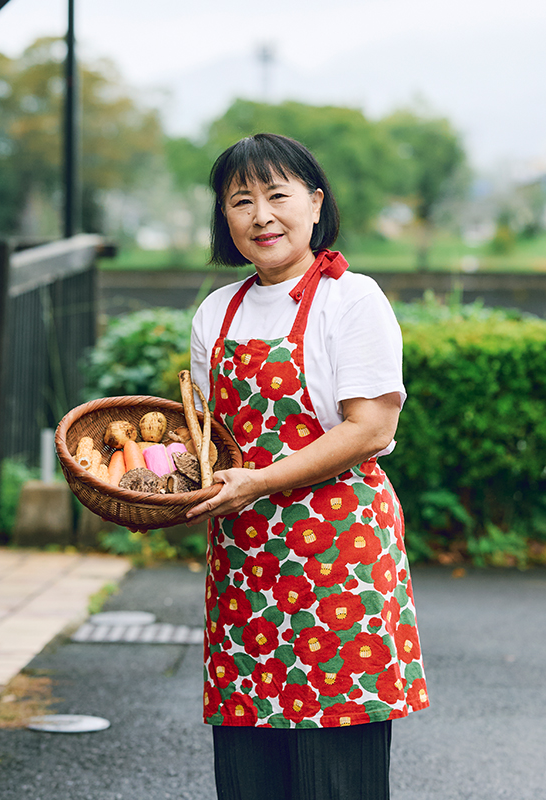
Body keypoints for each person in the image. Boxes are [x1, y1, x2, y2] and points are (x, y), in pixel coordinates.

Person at [185, 133, 428, 800]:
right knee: (248, 768)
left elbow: (371, 426)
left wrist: (259, 482)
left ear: (315, 204)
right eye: (241, 200)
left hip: (337, 564)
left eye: (277, 195)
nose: (260, 214)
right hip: (246, 564)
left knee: (336, 775)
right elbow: (209, 442)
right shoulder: (216, 313)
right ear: (224, 217)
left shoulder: (352, 301)